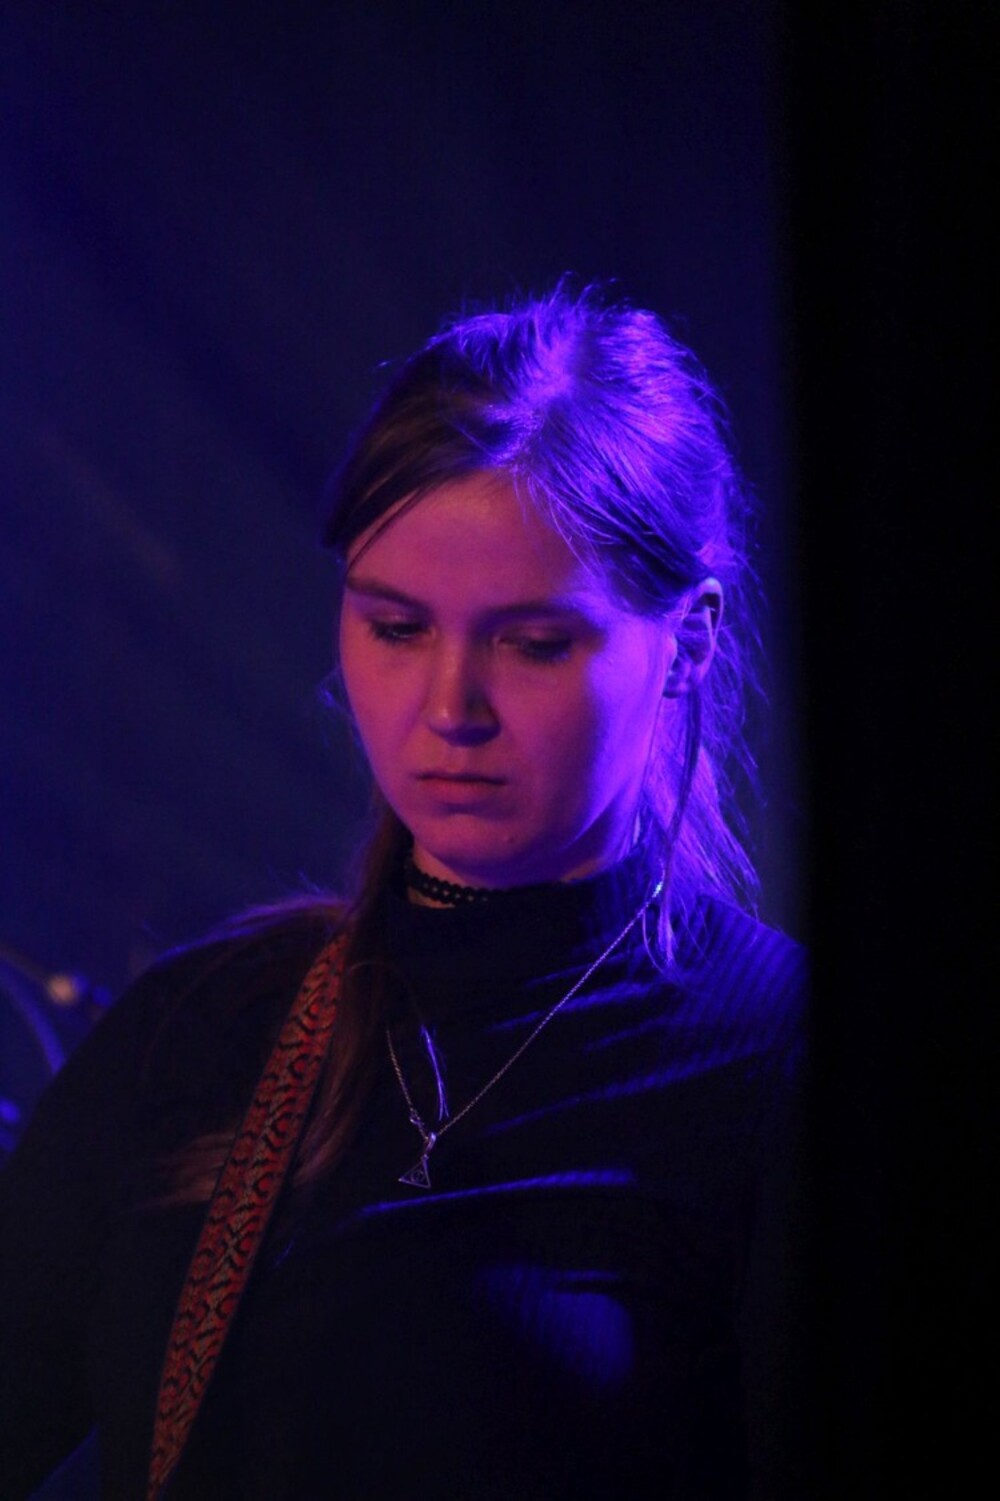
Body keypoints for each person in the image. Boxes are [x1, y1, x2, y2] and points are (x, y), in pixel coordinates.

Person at [0, 283, 808, 1500]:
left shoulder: (778, 1060)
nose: (448, 709)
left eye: (533, 642)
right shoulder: (202, 1029)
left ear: (687, 640)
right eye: (394, 626)